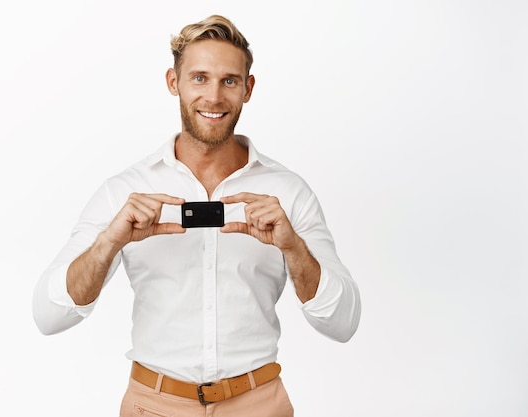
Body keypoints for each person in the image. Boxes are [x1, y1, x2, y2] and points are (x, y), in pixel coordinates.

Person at [33, 14, 361, 417]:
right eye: (199, 78)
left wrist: (294, 249)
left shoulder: (288, 192)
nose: (214, 97)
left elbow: (343, 323)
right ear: (174, 83)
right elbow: (48, 316)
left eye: (229, 81)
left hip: (258, 404)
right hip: (153, 405)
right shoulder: (124, 191)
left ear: (248, 89)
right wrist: (108, 243)